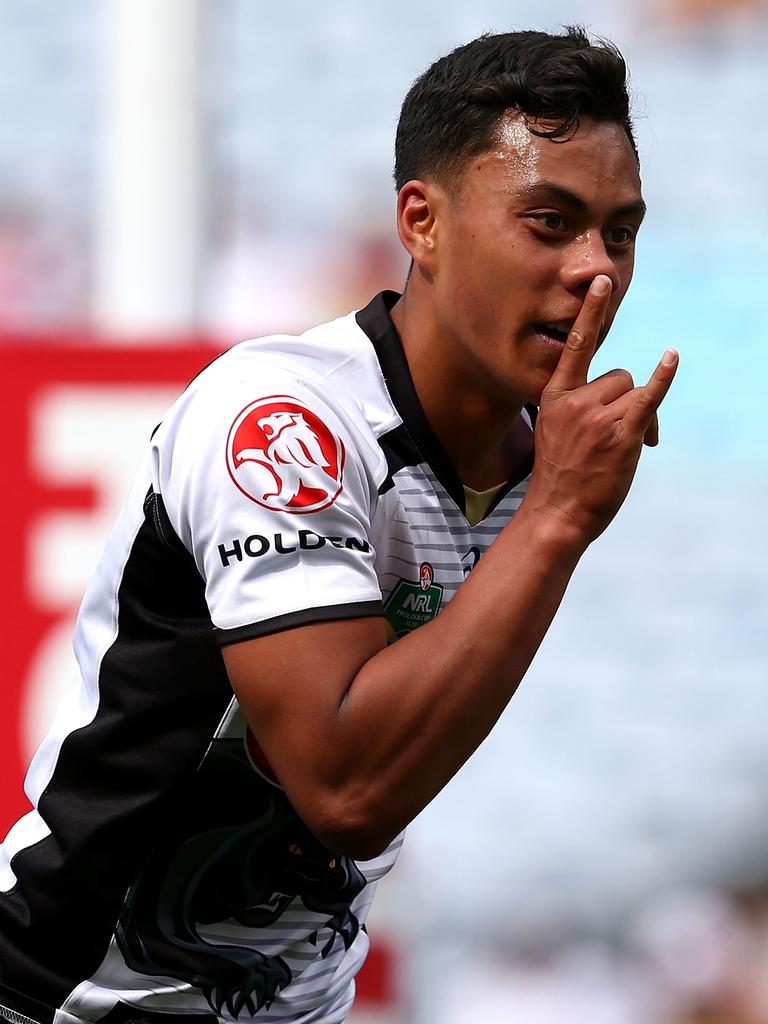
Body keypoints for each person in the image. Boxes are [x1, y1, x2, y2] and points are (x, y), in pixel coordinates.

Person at [0, 25, 678, 1024]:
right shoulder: (283, 420)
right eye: (549, 221)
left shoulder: (534, 465)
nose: (597, 272)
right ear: (423, 222)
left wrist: (551, 505)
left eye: (618, 231)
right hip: (70, 1001)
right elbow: (346, 790)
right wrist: (559, 518)